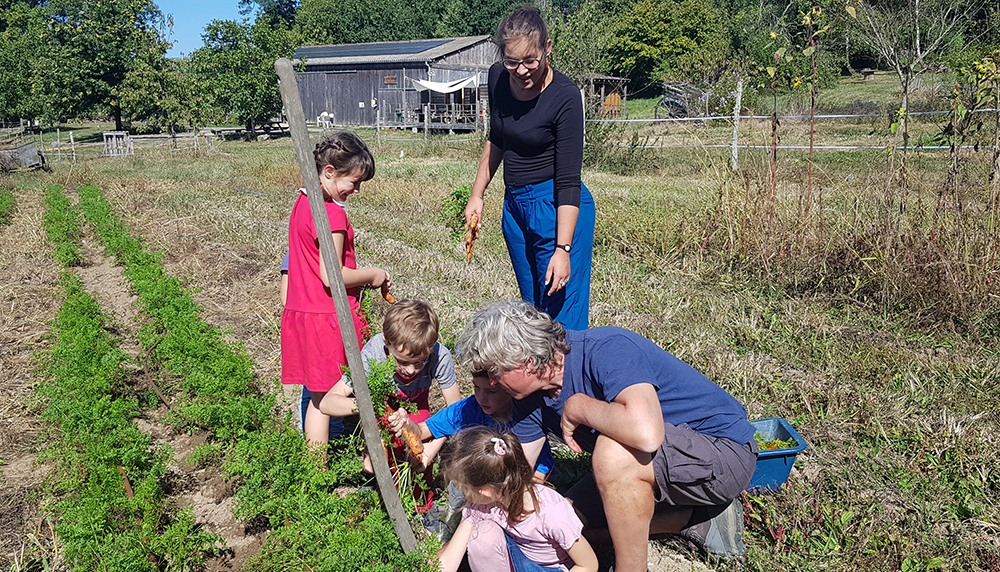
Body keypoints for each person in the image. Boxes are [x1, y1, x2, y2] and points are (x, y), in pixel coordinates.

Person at [455, 301, 759, 572]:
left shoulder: (608, 348)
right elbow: (521, 472)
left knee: (612, 453)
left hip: (722, 455)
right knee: (565, 525)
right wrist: (477, 501)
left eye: (495, 372)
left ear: (528, 363)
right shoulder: (528, 397)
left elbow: (646, 434)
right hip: (661, 465)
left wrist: (580, 407)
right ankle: (697, 520)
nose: (491, 381)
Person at [463, 7, 595, 330]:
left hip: (556, 207)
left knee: (562, 318)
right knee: (533, 311)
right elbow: (497, 137)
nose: (521, 70)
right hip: (516, 207)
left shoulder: (564, 97)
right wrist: (477, 194)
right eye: (512, 61)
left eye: (530, 60)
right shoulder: (497, 78)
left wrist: (563, 249)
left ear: (547, 48)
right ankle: (541, 379)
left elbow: (568, 181)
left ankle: (570, 380)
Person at [280, 131, 390, 450]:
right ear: (329, 172)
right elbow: (332, 275)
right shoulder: (332, 214)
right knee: (327, 398)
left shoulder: (302, 203)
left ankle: (318, 471)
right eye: (353, 182)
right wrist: (375, 274)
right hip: (326, 318)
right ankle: (321, 472)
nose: (355, 190)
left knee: (317, 396)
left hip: (304, 313)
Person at [321, 299, 461, 509]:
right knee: (386, 454)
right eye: (402, 362)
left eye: (420, 362)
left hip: (417, 405)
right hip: (380, 406)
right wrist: (364, 406)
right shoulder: (374, 354)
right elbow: (327, 403)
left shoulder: (440, 356)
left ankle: (420, 507)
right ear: (387, 342)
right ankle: (385, 500)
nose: (412, 370)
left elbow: (456, 411)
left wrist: (430, 450)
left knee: (418, 455)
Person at [437, 426, 599, 572]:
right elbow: (450, 560)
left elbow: (588, 565)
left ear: (485, 491)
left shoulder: (551, 513)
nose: (464, 496)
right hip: (519, 556)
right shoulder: (482, 505)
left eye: (463, 489)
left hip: (551, 568)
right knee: (483, 534)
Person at [280, 252, 344, 440]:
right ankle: (323, 439)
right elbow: (286, 298)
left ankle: (322, 439)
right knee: (321, 389)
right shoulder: (294, 257)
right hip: (317, 329)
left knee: (322, 386)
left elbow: (285, 298)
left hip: (318, 328)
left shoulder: (295, 255)